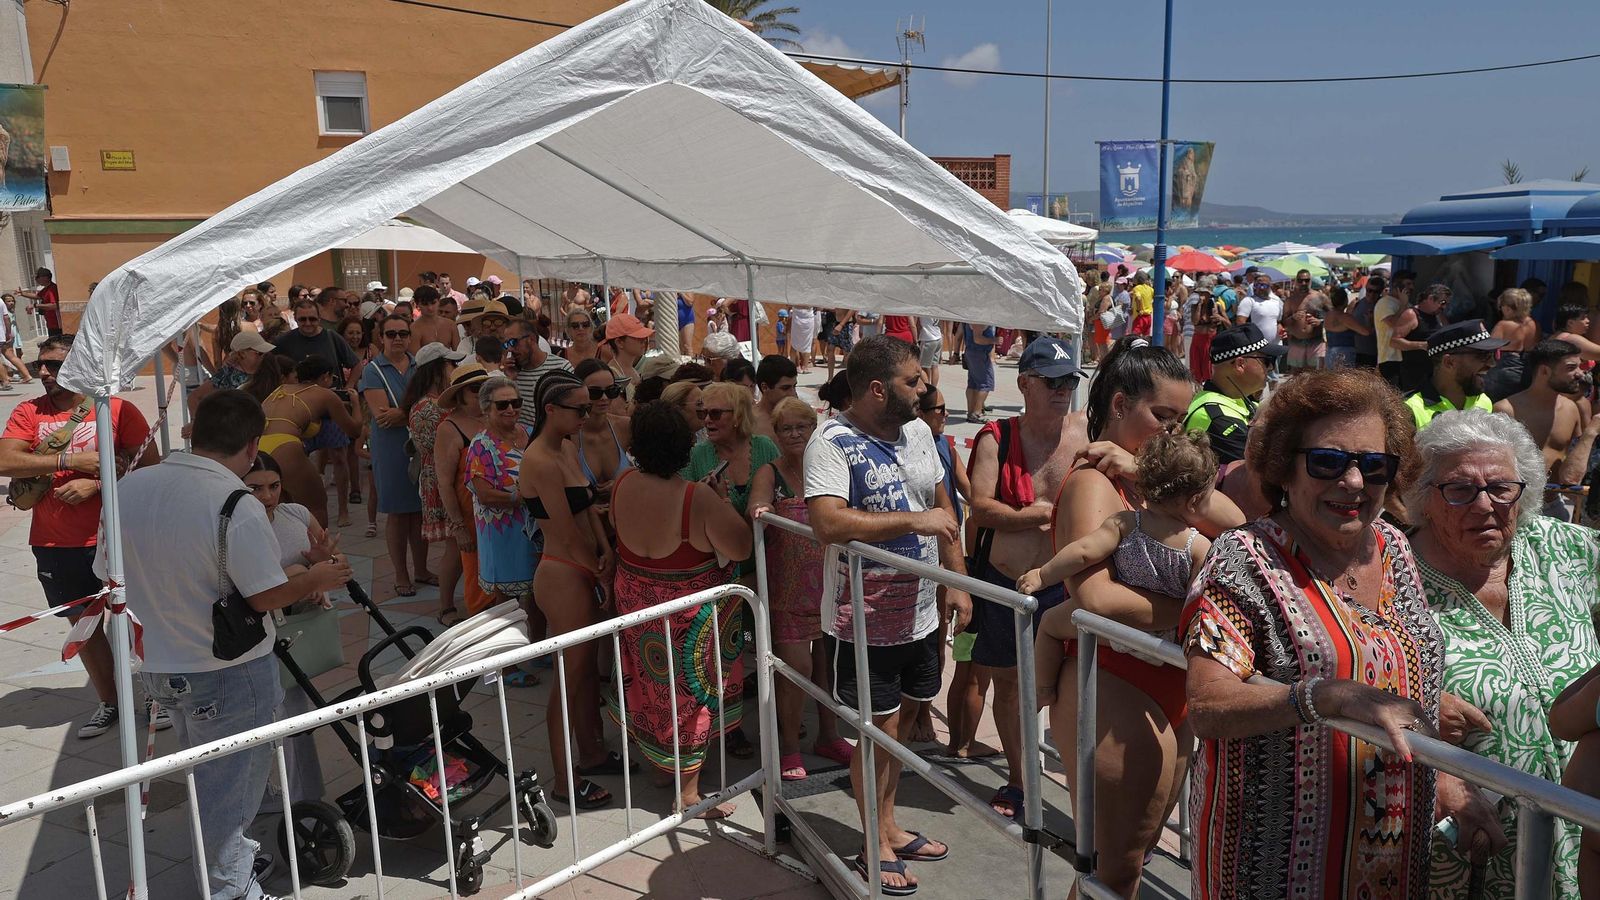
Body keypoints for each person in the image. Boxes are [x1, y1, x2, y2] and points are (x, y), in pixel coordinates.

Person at [1182, 368, 1442, 900]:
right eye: (1327, 461)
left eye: (1374, 466)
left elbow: (1396, 668)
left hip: (1393, 862)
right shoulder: (1246, 560)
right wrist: (1326, 696)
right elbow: (1207, 704)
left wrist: (1451, 772)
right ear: (1285, 467)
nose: (1352, 482)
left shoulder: (1393, 547)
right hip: (1276, 866)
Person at [109, 390, 351, 900]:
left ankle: (231, 860)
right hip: (227, 666)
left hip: (158, 662)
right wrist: (317, 576)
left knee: (210, 772)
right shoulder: (233, 503)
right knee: (231, 787)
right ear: (252, 443)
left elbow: (107, 577)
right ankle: (232, 886)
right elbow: (266, 596)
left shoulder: (129, 488)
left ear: (193, 434)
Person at [1048, 337, 1242, 896]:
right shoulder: (1092, 482)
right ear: (1118, 405)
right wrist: (1198, 610)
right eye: (1162, 416)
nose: (1173, 432)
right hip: (1113, 680)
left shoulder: (1143, 481)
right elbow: (1096, 600)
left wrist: (1144, 471)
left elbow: (1243, 534)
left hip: (1164, 681)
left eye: (1180, 420)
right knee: (1117, 868)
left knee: (1128, 863)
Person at [1405, 410, 1599, 898]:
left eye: (1501, 488)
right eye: (1460, 489)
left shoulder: (1564, 548)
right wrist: (1415, 698)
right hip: (1467, 844)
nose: (1484, 505)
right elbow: (1340, 666)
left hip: (1583, 833)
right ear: (1425, 499)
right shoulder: (1389, 576)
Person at [805, 335, 972, 896]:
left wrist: (957, 580)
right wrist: (913, 522)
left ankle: (891, 825)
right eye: (913, 381)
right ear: (877, 389)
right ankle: (871, 842)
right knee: (876, 733)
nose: (925, 388)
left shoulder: (921, 432)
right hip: (864, 618)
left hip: (922, 611)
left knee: (898, 727)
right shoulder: (831, 441)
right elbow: (827, 522)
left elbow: (943, 506)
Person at [0, 334, 159, 739]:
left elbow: (150, 469)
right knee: (85, 630)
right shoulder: (28, 412)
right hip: (55, 544)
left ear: (82, 365)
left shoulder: (115, 410)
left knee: (139, 622)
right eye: (40, 366)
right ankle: (111, 703)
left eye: (54, 365)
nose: (45, 373)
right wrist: (70, 459)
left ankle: (158, 697)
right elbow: (5, 460)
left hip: (118, 538)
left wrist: (100, 484)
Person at [604, 400, 753, 816]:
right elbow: (739, 545)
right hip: (685, 614)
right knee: (691, 694)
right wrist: (720, 502)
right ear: (685, 447)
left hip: (637, 605)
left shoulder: (622, 485)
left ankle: (660, 767)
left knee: (648, 686)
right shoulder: (696, 498)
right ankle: (688, 793)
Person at [964, 336, 1087, 818]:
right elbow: (980, 506)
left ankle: (1074, 783)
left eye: (1069, 381)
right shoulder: (998, 436)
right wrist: (1032, 516)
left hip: (1063, 584)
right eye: (1052, 381)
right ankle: (1018, 779)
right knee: (1010, 686)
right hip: (1006, 584)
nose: (1062, 390)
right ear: (1025, 383)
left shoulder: (1084, 433)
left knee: (1070, 687)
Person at [1025, 431, 1215, 709]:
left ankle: (1043, 690)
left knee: (1050, 624)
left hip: (1118, 630)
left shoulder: (1125, 523)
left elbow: (1083, 552)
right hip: (1167, 641)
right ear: (1195, 501)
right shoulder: (1199, 546)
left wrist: (1042, 575)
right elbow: (1197, 601)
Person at [519, 371, 621, 808]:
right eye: (580, 408)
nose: (589, 413)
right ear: (551, 410)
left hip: (580, 566)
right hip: (562, 573)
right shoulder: (540, 459)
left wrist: (604, 553)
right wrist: (596, 568)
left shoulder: (564, 448)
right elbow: (562, 526)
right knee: (568, 680)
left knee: (581, 678)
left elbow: (588, 507)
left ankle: (592, 753)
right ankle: (563, 780)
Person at [749, 398, 855, 781]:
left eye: (802, 427)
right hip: (787, 593)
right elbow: (756, 506)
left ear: (814, 430)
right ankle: (788, 747)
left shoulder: (826, 468)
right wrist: (763, 511)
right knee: (796, 669)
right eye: (786, 429)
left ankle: (829, 736)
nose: (795, 434)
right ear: (776, 435)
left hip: (831, 589)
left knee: (829, 668)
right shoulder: (769, 471)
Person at [359, 315, 432, 596]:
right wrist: (416, 412)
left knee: (420, 511)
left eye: (403, 333)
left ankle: (422, 570)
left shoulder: (420, 366)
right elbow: (383, 418)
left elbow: (431, 405)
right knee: (399, 515)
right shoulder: (373, 370)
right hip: (391, 449)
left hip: (420, 446)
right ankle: (402, 574)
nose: (397, 338)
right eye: (391, 334)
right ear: (381, 338)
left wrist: (402, 412)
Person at [246, 356, 362, 529]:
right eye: (332, 378)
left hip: (258, 448)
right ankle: (323, 553)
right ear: (325, 376)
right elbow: (354, 430)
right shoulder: (326, 394)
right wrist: (356, 403)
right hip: (284, 446)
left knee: (280, 512)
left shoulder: (281, 389)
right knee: (316, 507)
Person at [1495, 339, 1600, 518]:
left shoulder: (1571, 409)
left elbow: (1575, 467)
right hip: (1514, 507)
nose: (1580, 374)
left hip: (1555, 505)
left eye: (1580, 367)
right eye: (1570, 368)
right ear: (1544, 371)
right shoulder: (1506, 410)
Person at [404, 343, 467, 625]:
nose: (454, 370)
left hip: (447, 478)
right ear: (438, 368)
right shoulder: (428, 408)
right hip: (444, 481)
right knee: (456, 545)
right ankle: (445, 607)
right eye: (450, 365)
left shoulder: (429, 404)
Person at [465, 376, 537, 605]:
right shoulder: (481, 446)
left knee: (535, 600)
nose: (511, 409)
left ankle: (535, 641)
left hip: (535, 531)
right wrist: (522, 497)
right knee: (508, 606)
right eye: (502, 404)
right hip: (503, 535)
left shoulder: (531, 432)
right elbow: (484, 495)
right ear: (487, 408)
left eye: (516, 403)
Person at [433, 361, 492, 615]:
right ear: (460, 395)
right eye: (475, 389)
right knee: (473, 571)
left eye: (485, 387)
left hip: (497, 511)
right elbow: (444, 482)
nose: (482, 393)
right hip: (469, 514)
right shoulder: (449, 428)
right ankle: (453, 611)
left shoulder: (494, 418)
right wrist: (458, 525)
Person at [1182, 324, 1282, 466]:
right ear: (1240, 364)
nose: (1271, 367)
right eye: (1267, 361)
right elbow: (1259, 470)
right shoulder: (1217, 417)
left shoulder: (1238, 399)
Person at [1403, 320, 1506, 430]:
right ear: (1449, 363)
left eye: (1492, 354)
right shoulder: (1410, 410)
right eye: (1483, 355)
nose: (1492, 363)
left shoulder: (1483, 401)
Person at [572, 358, 634, 515]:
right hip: (585, 529)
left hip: (623, 524)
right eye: (595, 392)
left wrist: (623, 483)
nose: (604, 398)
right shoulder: (569, 436)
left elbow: (650, 472)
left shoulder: (625, 427)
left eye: (611, 390)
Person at [503, 317, 573, 430]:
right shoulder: (512, 372)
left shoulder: (561, 368)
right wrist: (509, 380)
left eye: (513, 342)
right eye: (506, 344)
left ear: (531, 339)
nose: (510, 349)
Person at [272, 294, 358, 373]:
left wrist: (348, 386)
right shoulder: (283, 340)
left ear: (319, 318)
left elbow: (357, 365)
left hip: (330, 389)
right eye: (302, 319)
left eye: (312, 319)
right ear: (295, 319)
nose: (308, 323)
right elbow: (270, 368)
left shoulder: (332, 337)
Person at [1391, 283, 1450, 393]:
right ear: (1430, 298)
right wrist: (1421, 345)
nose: (1444, 307)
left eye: (1446, 304)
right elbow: (1394, 341)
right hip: (1415, 372)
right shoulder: (1411, 314)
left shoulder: (1439, 316)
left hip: (1435, 372)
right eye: (1442, 303)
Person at [1483, 287, 1540, 400]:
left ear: (1508, 308)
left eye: (1501, 307)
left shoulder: (1503, 325)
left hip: (1503, 372)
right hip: (1525, 372)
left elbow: (1487, 348)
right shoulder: (1533, 324)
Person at [1374, 275, 1414, 387]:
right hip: (1390, 358)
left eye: (1412, 284)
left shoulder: (1405, 304)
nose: (1412, 288)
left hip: (1403, 357)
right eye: (1408, 284)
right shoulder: (1384, 303)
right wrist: (1403, 305)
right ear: (1398, 288)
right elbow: (1393, 323)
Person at [1323, 284, 1370, 370]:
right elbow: (1366, 332)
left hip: (1330, 352)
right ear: (1345, 300)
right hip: (1343, 354)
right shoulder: (1345, 317)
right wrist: (1368, 320)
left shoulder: (1328, 315)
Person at [1234, 272, 1284, 354]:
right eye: (1258, 285)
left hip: (1276, 346)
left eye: (1264, 285)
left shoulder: (1277, 301)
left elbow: (1278, 322)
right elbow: (1240, 323)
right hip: (1257, 347)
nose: (1261, 288)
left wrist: (1281, 328)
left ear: (1270, 287)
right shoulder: (1248, 301)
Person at [753, 353, 799, 440]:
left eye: (794, 386)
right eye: (785, 388)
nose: (793, 393)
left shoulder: (801, 417)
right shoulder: (749, 423)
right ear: (765, 387)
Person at [962, 322, 998, 423]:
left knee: (973, 384)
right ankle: (977, 413)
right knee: (986, 384)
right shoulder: (980, 319)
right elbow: (977, 339)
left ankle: (971, 412)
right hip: (979, 354)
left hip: (973, 353)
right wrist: (994, 340)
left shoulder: (972, 317)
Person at [408, 286, 457, 350]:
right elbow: (415, 358)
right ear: (417, 304)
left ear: (439, 301)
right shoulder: (414, 329)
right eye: (425, 304)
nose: (430, 308)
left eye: (433, 303)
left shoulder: (451, 325)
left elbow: (458, 353)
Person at [16, 267, 61, 336]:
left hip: (56, 325)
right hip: (51, 324)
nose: (36, 279)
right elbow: (37, 296)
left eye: (38, 277)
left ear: (45, 278)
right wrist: (22, 293)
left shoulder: (52, 289)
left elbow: (54, 305)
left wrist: (35, 305)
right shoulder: (47, 289)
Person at [821, 307, 856, 382]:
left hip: (846, 325)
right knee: (830, 348)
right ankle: (830, 378)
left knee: (847, 352)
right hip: (836, 322)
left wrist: (841, 324)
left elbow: (852, 309)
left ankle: (848, 378)